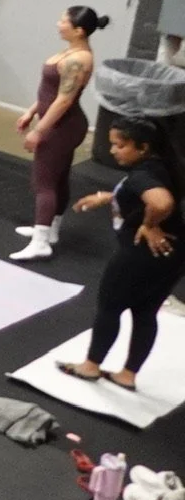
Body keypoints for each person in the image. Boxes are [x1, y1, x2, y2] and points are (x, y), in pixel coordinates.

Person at [57, 117, 178, 390]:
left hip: (141, 253)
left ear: (143, 147)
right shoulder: (166, 165)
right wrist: (110, 197)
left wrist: (149, 224)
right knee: (145, 312)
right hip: (172, 253)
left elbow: (161, 202)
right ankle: (127, 375)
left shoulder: (142, 174)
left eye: (120, 146)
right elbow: (151, 194)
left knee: (109, 306)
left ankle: (90, 367)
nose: (112, 151)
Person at [11, 5, 106, 261]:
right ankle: (49, 230)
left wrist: (39, 131)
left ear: (78, 30)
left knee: (43, 183)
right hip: (57, 124)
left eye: (63, 21)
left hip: (63, 127)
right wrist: (31, 112)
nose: (58, 24)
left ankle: (41, 242)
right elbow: (50, 91)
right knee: (58, 178)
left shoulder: (79, 59)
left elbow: (64, 100)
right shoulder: (70, 51)